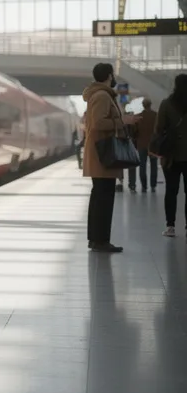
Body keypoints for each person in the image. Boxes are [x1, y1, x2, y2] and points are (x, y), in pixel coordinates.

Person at [83, 63, 138, 252]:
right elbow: (98, 123)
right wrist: (122, 121)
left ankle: (96, 239)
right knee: (103, 198)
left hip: (101, 153)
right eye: (112, 75)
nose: (114, 78)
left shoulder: (100, 95)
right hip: (103, 154)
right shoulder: (102, 96)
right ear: (108, 76)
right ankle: (101, 241)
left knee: (99, 197)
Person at [155, 75, 187, 236]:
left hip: (171, 156)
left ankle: (171, 227)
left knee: (171, 191)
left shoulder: (166, 104)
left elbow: (159, 129)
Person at [129, 98, 159, 193]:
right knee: (154, 166)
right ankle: (153, 186)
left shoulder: (139, 117)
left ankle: (144, 186)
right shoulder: (156, 116)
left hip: (141, 144)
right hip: (153, 145)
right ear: (150, 104)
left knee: (142, 165)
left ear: (143, 105)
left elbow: (134, 132)